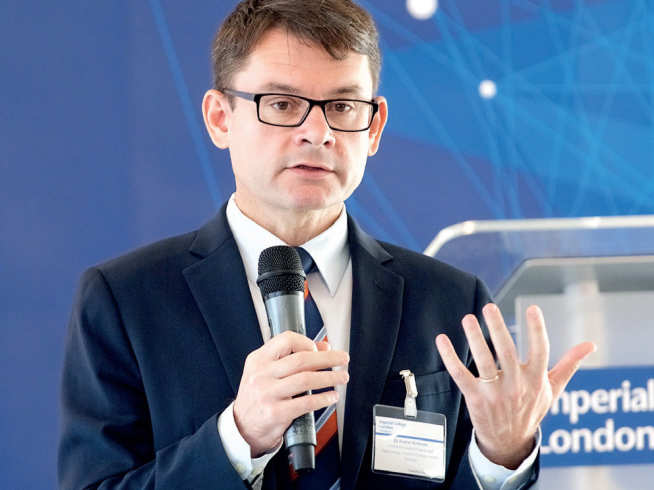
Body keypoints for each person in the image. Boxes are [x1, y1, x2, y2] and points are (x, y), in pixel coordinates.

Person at [58, 1, 595, 488]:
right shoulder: (126, 300)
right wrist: (238, 437)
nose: (318, 133)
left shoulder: (450, 300)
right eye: (282, 103)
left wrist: (501, 457)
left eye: (342, 107)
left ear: (374, 127)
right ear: (220, 118)